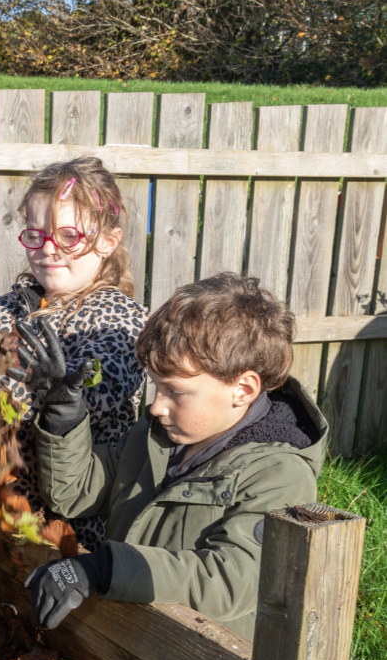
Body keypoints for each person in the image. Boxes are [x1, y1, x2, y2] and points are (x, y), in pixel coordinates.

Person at [21, 272, 328, 640]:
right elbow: (75, 492)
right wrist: (63, 417)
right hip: (134, 641)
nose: (156, 406)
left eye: (175, 392)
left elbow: (229, 581)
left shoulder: (280, 475)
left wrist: (104, 568)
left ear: (243, 389)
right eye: (155, 386)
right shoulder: (154, 436)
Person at [0, 156, 147, 546]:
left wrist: (23, 390)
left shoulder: (122, 321)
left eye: (68, 236)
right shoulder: (6, 308)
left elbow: (92, 396)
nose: (49, 249)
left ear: (108, 242)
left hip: (74, 521)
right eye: (36, 235)